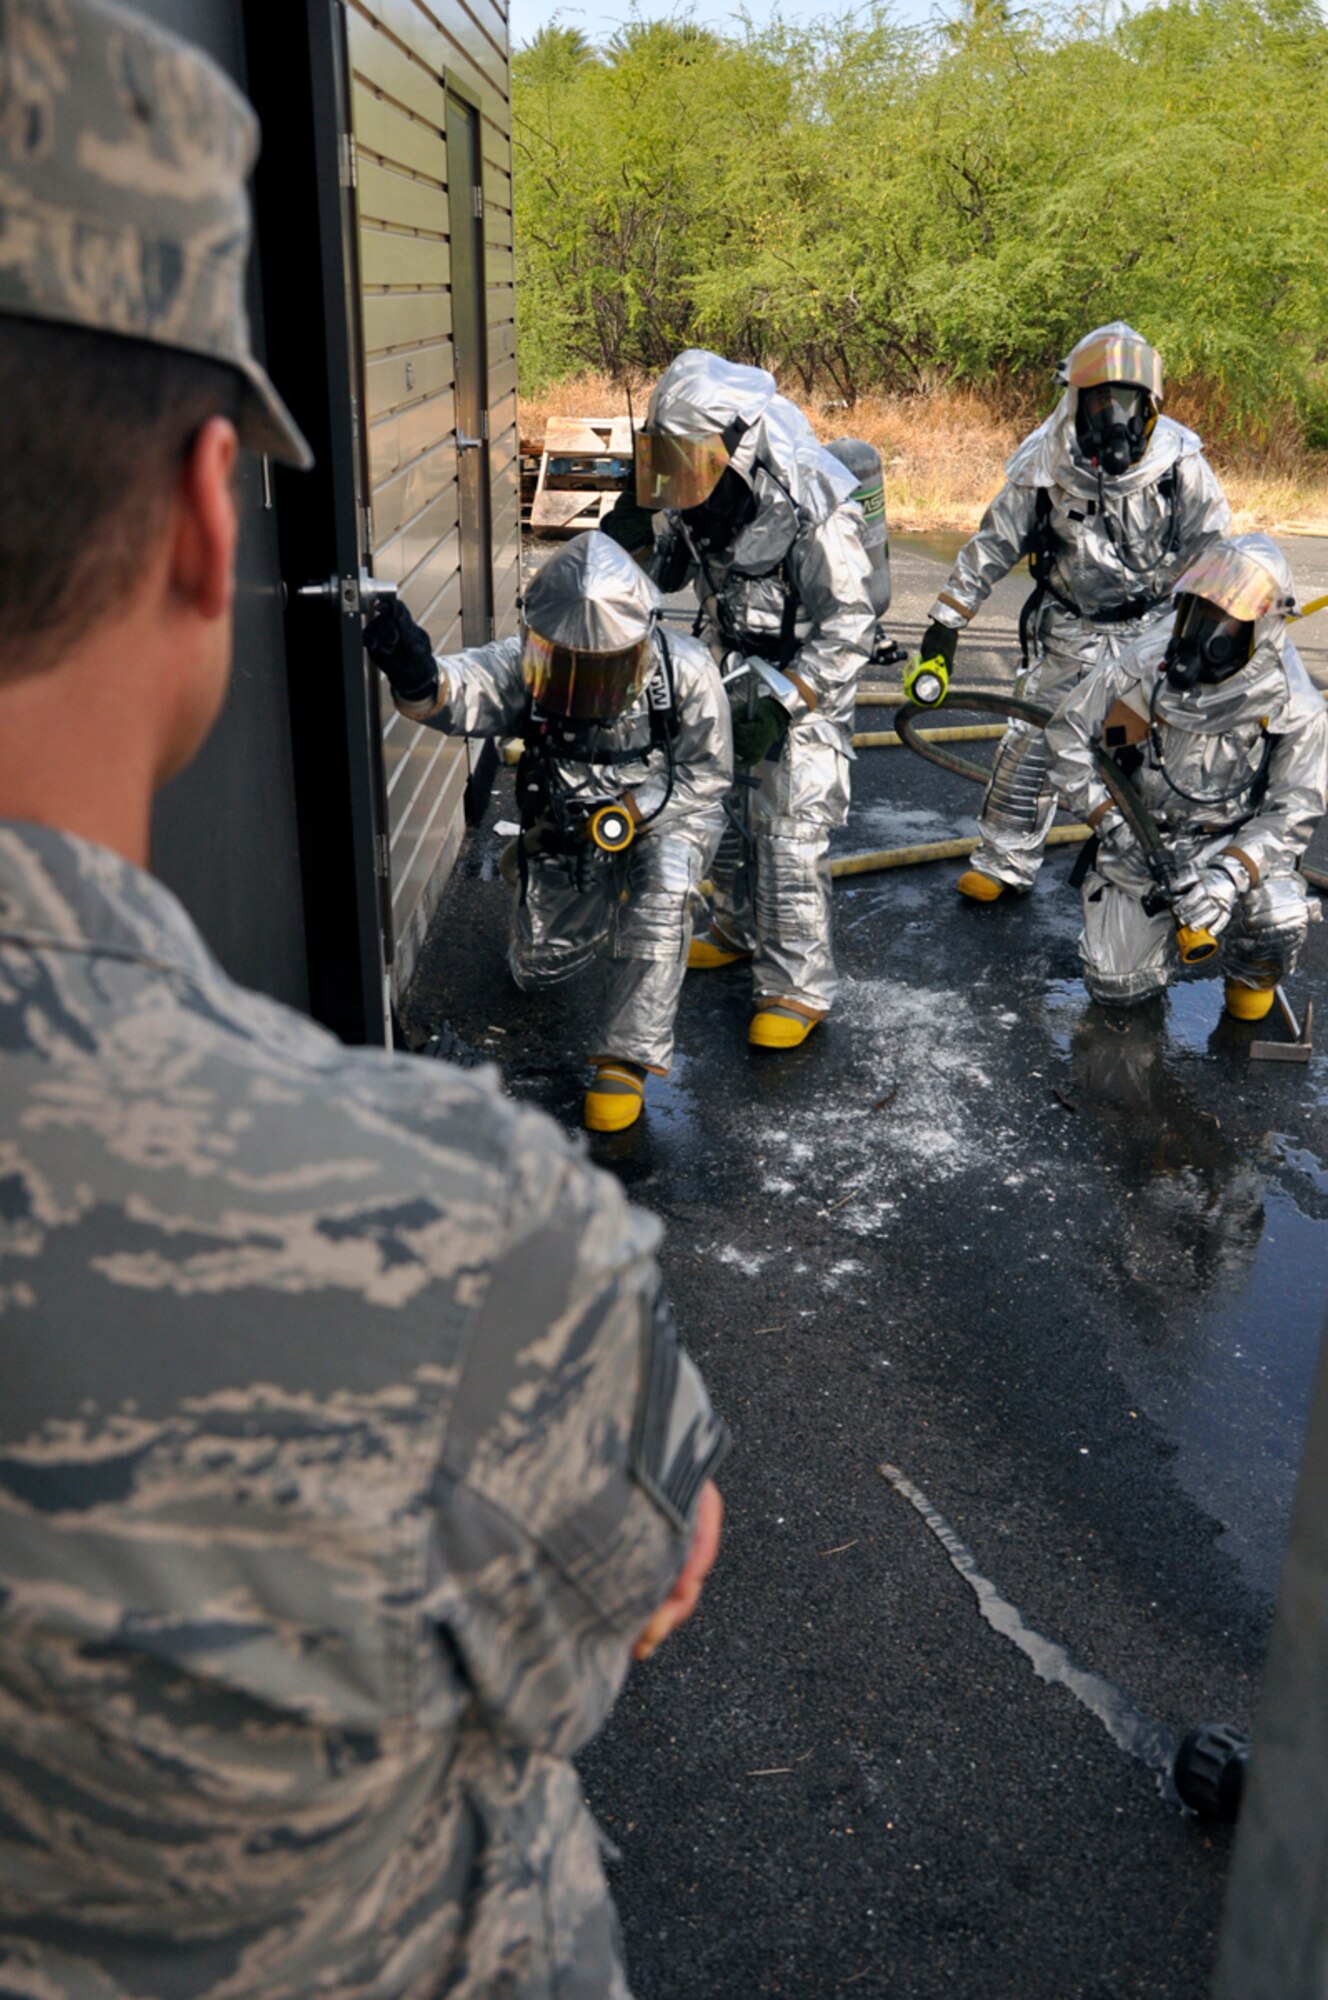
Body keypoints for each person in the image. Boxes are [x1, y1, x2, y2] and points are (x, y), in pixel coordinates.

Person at [0, 6, 728, 1998]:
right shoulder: (454, 1233)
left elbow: (689, 841)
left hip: (626, 857)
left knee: (613, 957)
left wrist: (632, 1049)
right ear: (203, 510)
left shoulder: (686, 689)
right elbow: (645, 1576)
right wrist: (423, 665)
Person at [363, 531, 731, 1134]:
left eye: (606, 666)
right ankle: (546, 873)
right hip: (565, 824)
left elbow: (708, 778)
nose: (588, 682)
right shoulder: (526, 667)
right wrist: (417, 676)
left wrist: (631, 814)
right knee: (537, 969)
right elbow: (463, 689)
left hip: (666, 815)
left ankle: (624, 1059)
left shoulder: (685, 671)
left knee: (661, 894)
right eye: (573, 665)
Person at [605, 349, 877, 1050]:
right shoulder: (692, 481)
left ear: (731, 444)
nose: (678, 478)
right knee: (718, 803)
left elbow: (851, 626)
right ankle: (735, 927)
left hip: (809, 674)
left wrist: (789, 701)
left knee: (788, 824)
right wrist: (630, 533)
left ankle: (796, 985)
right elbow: (667, 572)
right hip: (732, 656)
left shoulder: (813, 494)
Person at [915, 322, 1232, 902]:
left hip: (1153, 634)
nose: (1116, 417)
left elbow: (1216, 551)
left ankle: (1141, 866)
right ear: (1076, 401)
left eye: (1129, 402)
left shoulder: (1180, 464)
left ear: (1151, 406)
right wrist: (947, 621)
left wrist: (1208, 633)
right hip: (1068, 629)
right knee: (1030, 740)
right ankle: (1004, 859)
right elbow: (994, 543)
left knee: (1146, 752)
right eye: (1101, 400)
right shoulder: (1044, 463)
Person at [1045, 533, 1328, 1015]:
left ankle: (1249, 975)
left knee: (1275, 915)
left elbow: (1293, 810)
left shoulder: (1295, 704)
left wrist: (1227, 876)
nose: (1202, 631)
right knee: (1118, 987)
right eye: (1198, 609)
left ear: (1262, 628)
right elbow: (1068, 734)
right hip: (1140, 839)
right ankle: (1147, 935)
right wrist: (1112, 824)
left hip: (1231, 841)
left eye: (1224, 620)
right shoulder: (1143, 663)